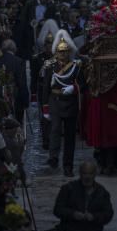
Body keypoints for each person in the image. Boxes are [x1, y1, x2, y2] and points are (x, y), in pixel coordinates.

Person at [53, 159, 115, 231]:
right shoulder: (68, 189)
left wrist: (94, 217)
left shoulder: (102, 192)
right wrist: (73, 214)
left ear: (95, 174)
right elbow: (57, 209)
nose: (87, 177)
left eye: (90, 173)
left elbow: (108, 213)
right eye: (84, 173)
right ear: (80, 174)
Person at [42, 31, 81, 176]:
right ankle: (53, 157)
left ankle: (68, 165)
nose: (62, 54)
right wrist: (45, 107)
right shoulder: (50, 66)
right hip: (55, 101)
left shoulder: (76, 66)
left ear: (69, 52)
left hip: (70, 102)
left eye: (65, 52)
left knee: (70, 136)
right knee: (55, 130)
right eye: (60, 52)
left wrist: (74, 88)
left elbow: (82, 83)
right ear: (56, 52)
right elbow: (46, 87)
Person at [0, 39, 29, 120]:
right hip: (16, 100)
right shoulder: (19, 61)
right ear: (14, 49)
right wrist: (25, 101)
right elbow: (22, 83)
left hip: (0, 100)